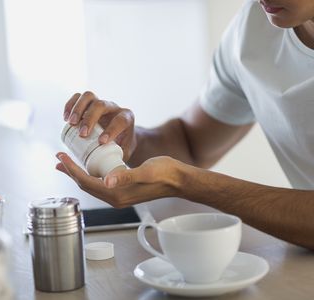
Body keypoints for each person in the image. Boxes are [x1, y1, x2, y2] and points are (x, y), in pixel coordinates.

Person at [55, 0, 314, 249]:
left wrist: (188, 183)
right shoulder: (252, 28)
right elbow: (190, 145)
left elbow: (186, 173)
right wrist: (131, 142)